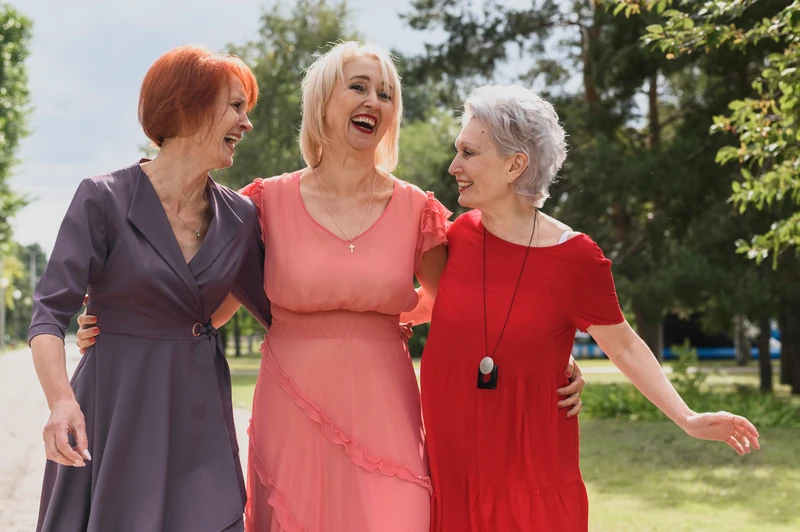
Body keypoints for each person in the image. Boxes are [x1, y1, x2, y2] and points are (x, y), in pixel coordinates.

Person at [74, 43, 587, 531]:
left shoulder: (417, 209)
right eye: (358, 87)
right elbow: (207, 308)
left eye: (385, 94)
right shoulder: (263, 205)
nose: (373, 102)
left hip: (385, 409)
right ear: (322, 103)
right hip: (290, 409)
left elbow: (468, 303)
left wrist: (542, 351)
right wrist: (119, 320)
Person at [418, 85, 761, 531]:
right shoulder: (458, 236)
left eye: (468, 152)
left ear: (515, 165)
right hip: (448, 471)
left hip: (529, 484)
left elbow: (624, 345)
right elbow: (429, 306)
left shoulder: (576, 258)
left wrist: (688, 418)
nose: (454, 166)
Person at [28, 46, 270, 532]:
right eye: (235, 106)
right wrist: (61, 401)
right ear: (187, 106)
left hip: (199, 411)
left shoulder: (241, 218)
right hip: (114, 406)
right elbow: (49, 314)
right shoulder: (103, 198)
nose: (246, 124)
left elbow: (276, 308)